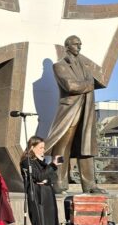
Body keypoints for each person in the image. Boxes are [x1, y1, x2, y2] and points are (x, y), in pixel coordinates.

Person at [43, 35, 104, 193]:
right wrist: (88, 84)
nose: (79, 47)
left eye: (80, 44)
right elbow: (70, 86)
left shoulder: (84, 66)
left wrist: (85, 84)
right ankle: (59, 183)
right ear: (67, 46)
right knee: (62, 148)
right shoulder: (59, 66)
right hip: (69, 111)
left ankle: (90, 185)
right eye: (76, 44)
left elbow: (86, 83)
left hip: (85, 111)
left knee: (86, 149)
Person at [20, 136, 61, 225]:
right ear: (32, 147)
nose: (43, 150)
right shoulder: (27, 161)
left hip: (46, 197)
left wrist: (46, 176)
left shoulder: (41, 162)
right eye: (41, 147)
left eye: (44, 147)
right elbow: (38, 176)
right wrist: (52, 166)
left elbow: (52, 178)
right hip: (36, 199)